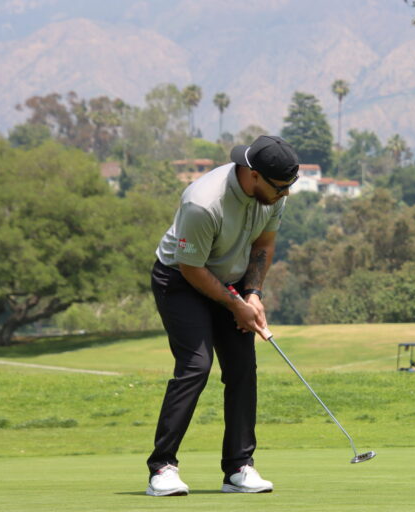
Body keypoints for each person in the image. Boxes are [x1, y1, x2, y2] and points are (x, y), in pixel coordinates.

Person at [145, 135, 299, 497]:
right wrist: (236, 306)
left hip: (230, 282)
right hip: (181, 279)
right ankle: (162, 468)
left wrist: (253, 294)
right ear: (253, 174)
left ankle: (238, 468)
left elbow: (263, 244)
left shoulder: (273, 193)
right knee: (196, 365)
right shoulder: (203, 202)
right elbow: (192, 268)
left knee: (242, 368)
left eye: (289, 187)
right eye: (280, 187)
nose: (285, 195)